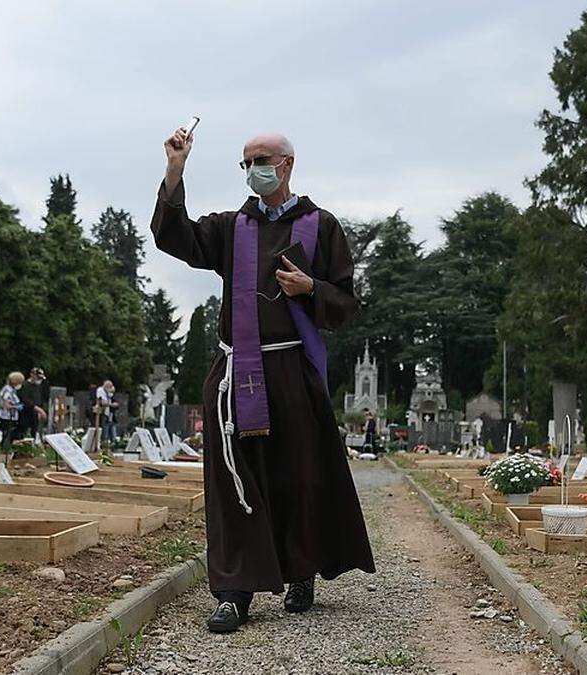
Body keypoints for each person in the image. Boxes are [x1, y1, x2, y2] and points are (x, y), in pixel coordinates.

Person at [151, 127, 374, 634]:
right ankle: (234, 592)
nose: (253, 168)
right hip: (238, 370)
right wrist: (175, 169)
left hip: (292, 369)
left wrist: (310, 286)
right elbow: (175, 236)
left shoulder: (322, 226)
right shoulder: (234, 227)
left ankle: (300, 572)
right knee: (234, 480)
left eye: (262, 159)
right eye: (246, 161)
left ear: (287, 163)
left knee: (298, 475)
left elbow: (344, 304)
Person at [18, 367, 48, 441]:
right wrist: (39, 410)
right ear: (32, 375)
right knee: (23, 433)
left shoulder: (38, 387)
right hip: (25, 414)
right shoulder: (25, 386)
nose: (39, 380)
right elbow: (26, 401)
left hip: (35, 415)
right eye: (38, 377)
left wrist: (40, 411)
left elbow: (40, 400)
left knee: (35, 433)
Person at [0, 371, 25, 450]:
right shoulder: (7, 390)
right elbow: (6, 404)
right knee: (7, 434)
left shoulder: (13, 390)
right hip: (6, 416)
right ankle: (4, 449)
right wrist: (15, 407)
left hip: (13, 416)